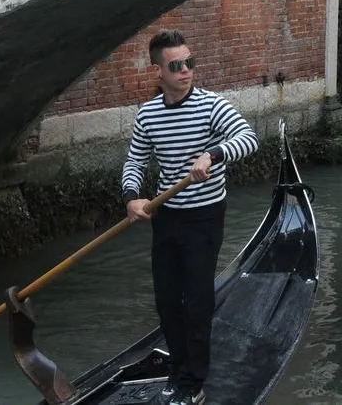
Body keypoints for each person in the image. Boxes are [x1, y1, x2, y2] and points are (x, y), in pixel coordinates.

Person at [121, 30, 259, 405]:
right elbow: (135, 161)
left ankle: (193, 382)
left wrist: (213, 155)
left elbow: (248, 138)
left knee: (196, 300)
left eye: (190, 63)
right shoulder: (148, 114)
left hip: (205, 217)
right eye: (176, 66)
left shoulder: (213, 106)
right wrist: (133, 198)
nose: (186, 71)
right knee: (167, 300)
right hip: (167, 216)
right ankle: (178, 370)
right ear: (159, 72)